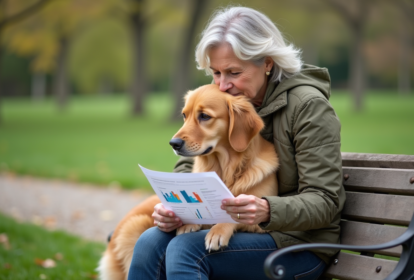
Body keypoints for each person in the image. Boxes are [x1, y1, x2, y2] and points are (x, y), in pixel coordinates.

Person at [128, 6, 345, 280]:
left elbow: (326, 201)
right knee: (149, 242)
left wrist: (267, 208)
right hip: (236, 230)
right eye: (216, 72)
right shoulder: (225, 98)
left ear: (267, 63)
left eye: (233, 72)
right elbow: (189, 165)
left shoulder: (308, 107)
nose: (222, 85)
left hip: (298, 244)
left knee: (186, 250)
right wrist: (176, 207)